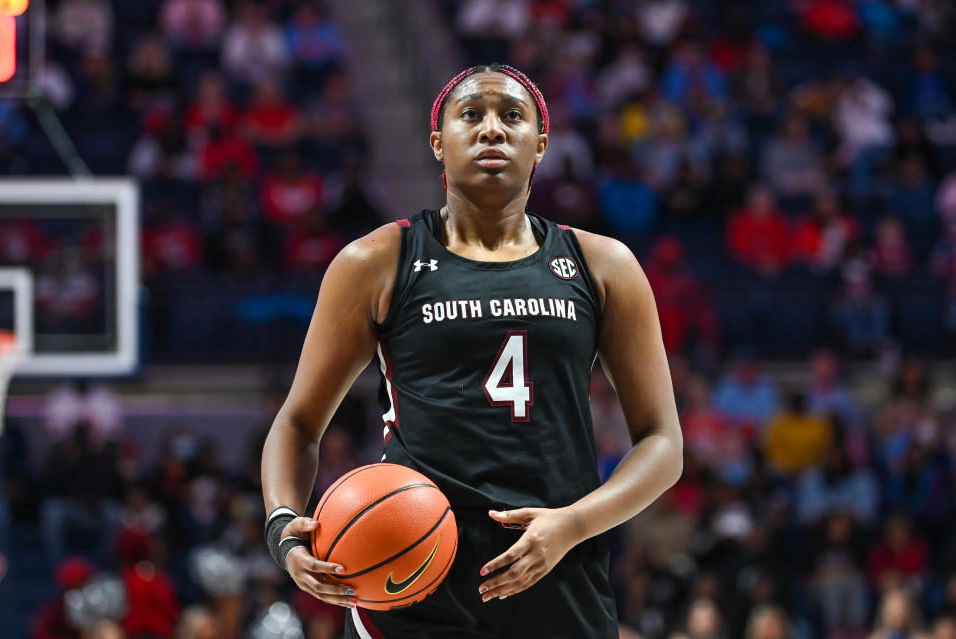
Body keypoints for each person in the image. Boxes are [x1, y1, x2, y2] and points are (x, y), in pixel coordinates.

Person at [260, 63, 683, 638]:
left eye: (512, 116)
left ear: (541, 143)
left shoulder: (603, 265)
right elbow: (299, 421)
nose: (491, 129)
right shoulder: (377, 261)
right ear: (439, 143)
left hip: (559, 581)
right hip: (412, 587)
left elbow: (663, 444)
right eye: (471, 115)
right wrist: (283, 527)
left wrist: (573, 525)